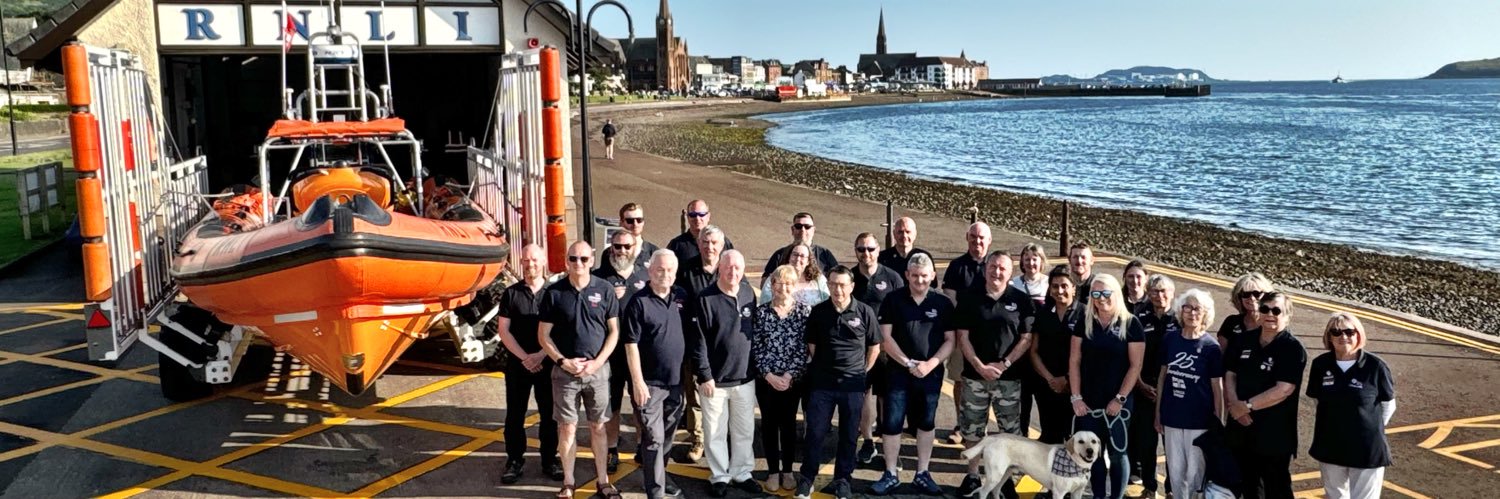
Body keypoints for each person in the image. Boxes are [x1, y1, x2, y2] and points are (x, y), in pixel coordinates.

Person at [538, 241, 622, 499]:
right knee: (567, 428)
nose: (579, 264)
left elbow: (614, 332)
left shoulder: (605, 290)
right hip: (565, 374)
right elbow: (543, 336)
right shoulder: (554, 293)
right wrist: (563, 361)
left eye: (584, 259)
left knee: (599, 427)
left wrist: (597, 363)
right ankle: (569, 482)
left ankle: (604, 481)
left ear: (592, 261)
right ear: (566, 261)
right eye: (573, 259)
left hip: (597, 372)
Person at [477, 244, 563, 484]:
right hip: (518, 365)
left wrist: (541, 355)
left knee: (549, 415)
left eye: (534, 260)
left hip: (547, 363)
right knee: (515, 415)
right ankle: (514, 460)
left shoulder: (554, 293)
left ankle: (550, 460)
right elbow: (503, 331)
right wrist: (525, 358)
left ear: (543, 261)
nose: (530, 265)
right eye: (526, 261)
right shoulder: (511, 293)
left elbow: (560, 331)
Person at [871, 252, 954, 496]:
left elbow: (950, 340)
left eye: (924, 276)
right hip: (898, 372)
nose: (919, 280)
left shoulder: (942, 304)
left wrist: (930, 364)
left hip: (931, 374)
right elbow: (886, 338)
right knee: (892, 423)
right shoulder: (892, 300)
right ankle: (890, 474)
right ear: (907, 275)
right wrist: (908, 363)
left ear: (933, 276)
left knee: (926, 423)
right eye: (915, 275)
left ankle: (923, 473)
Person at [797, 265, 882, 499]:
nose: (837, 289)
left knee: (848, 435)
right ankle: (807, 478)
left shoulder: (864, 312)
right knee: (815, 432)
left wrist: (862, 371)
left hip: (852, 386)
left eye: (842, 284)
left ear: (852, 286)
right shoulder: (819, 312)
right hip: (822, 384)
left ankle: (843, 480)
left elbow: (874, 346)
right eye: (833, 284)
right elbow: (812, 346)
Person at [955, 250, 1035, 499]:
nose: (996, 271)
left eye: (1002, 268)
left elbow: (1026, 338)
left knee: (1010, 433)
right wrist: (979, 365)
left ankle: (1005, 480)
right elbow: (962, 337)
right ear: (985, 268)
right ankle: (972, 476)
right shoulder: (970, 298)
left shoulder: (1022, 300)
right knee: (972, 430)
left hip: (1009, 379)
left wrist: (1005, 364)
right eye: (992, 267)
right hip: (974, 376)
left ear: (1010, 272)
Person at [685, 250, 761, 496]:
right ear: (720, 268)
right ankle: (719, 476)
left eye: (738, 268)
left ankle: (741, 472)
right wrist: (704, 375)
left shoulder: (748, 294)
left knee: (744, 430)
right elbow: (698, 342)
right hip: (714, 382)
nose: (733, 272)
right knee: (715, 431)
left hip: (744, 379)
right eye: (728, 267)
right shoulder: (705, 299)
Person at [1224, 292, 1307, 499]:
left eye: (1276, 310)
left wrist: (1247, 406)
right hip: (1240, 428)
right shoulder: (1243, 339)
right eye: (1265, 309)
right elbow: (1230, 374)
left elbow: (1284, 389)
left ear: (1287, 316)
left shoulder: (1292, 348)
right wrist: (1234, 405)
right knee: (1249, 486)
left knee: (1276, 488)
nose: (1270, 314)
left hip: (1274, 435)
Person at [1069, 274, 1144, 499]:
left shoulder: (1131, 324)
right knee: (1094, 454)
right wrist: (1076, 397)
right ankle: (1099, 496)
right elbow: (1074, 361)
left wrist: (1119, 399)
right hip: (1089, 401)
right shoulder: (1085, 321)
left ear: (1115, 294)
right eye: (1096, 294)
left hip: (1118, 402)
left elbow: (1135, 366)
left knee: (1118, 452)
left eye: (1106, 293)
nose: (1101, 299)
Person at [623, 250, 688, 499]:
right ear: (650, 271)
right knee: (653, 438)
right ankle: (656, 492)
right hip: (649, 385)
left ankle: (659, 474)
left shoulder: (680, 297)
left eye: (670, 270)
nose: (665, 275)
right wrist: (638, 382)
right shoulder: (638, 302)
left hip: (675, 383)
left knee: (667, 437)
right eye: (660, 270)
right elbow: (630, 345)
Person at [1308, 313, 1396, 499]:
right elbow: (1318, 400)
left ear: (1359, 334)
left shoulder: (1376, 366)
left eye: (1349, 331)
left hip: (1366, 448)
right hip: (1330, 445)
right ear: (1328, 336)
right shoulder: (1320, 365)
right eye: (1336, 332)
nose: (1343, 336)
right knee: (1335, 496)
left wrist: (1370, 428)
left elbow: (1388, 404)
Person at [1154, 288, 1223, 499]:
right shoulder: (1170, 339)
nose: (1192, 313)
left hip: (1199, 422)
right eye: (1187, 307)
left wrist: (1219, 423)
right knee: (1175, 473)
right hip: (1173, 417)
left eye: (1197, 309)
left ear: (1205, 314)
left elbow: (1217, 388)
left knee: (1196, 474)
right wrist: (1158, 413)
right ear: (1180, 311)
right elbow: (1162, 377)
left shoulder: (1211, 347)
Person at [750, 265, 812, 494]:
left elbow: (804, 348)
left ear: (794, 286)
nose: (783, 287)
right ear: (772, 285)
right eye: (779, 282)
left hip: (791, 380)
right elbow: (756, 347)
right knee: (768, 424)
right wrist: (769, 375)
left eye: (788, 283)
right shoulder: (762, 312)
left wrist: (787, 376)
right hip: (766, 380)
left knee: (788, 425)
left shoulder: (804, 312)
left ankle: (787, 470)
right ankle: (772, 471)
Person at [594, 230, 649, 473]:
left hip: (639, 353)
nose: (622, 251)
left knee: (641, 403)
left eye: (627, 246)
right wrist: (611, 300)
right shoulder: (599, 277)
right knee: (612, 405)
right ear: (611, 247)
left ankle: (641, 447)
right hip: (611, 353)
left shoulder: (645, 276)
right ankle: (613, 449)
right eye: (617, 246)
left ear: (635, 247)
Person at [851, 232, 903, 465]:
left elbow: (903, 310)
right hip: (858, 350)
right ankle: (868, 442)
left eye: (870, 249)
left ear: (878, 250)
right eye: (861, 249)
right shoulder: (850, 278)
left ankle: (888, 446)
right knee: (863, 396)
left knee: (887, 397)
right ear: (856, 251)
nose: (866, 254)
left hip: (886, 350)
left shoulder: (892, 278)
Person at [941, 222, 990, 445]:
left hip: (989, 337)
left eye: (981, 238)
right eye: (973, 237)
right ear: (966, 238)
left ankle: (982, 427)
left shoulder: (995, 264)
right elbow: (950, 298)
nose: (977, 241)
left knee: (986, 382)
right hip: (963, 334)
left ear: (989, 240)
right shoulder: (957, 266)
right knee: (961, 379)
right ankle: (962, 424)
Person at [1129, 273, 1175, 498]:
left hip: (1173, 392)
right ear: (1148, 294)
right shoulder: (1139, 317)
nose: (1159, 295)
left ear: (1172, 294)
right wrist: (1139, 384)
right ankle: (1149, 486)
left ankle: (1171, 489)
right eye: (1155, 291)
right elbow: (1131, 355)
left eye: (1164, 291)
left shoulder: (1179, 319)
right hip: (1144, 389)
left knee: (1172, 447)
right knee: (1146, 443)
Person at [1029, 265, 1083, 446]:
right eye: (1055, 286)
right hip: (1047, 386)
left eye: (1064, 286)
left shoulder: (1085, 313)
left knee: (1074, 440)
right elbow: (1034, 351)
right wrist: (1051, 379)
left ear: (1074, 288)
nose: (1059, 291)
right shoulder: (1043, 313)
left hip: (1075, 388)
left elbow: (1090, 354)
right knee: (1049, 438)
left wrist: (1067, 380)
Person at [760, 212, 840, 281]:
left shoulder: (825, 254)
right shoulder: (780, 254)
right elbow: (766, 280)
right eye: (798, 226)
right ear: (792, 230)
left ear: (813, 230)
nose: (803, 230)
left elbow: (838, 276)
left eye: (807, 227)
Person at [758, 242, 829, 306]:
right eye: (795, 254)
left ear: (808, 261)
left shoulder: (819, 280)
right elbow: (764, 304)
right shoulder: (774, 278)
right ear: (789, 257)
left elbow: (828, 303)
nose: (798, 259)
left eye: (802, 256)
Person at [1217, 272, 1275, 352]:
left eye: (1256, 294)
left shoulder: (1272, 324)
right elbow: (1219, 354)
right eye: (1246, 294)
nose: (1252, 298)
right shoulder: (1231, 322)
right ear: (1239, 298)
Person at [667, 200, 734, 264]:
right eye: (693, 215)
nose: (697, 218)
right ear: (688, 217)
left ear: (708, 216)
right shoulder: (676, 245)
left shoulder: (722, 242)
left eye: (701, 214)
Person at [877, 217, 932, 286]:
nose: (904, 235)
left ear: (915, 234)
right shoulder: (882, 258)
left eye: (908, 232)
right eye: (900, 232)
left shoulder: (924, 257)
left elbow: (932, 285)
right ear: (894, 234)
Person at [1009, 243, 1049, 308]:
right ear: (1022, 262)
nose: (1031, 263)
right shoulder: (1014, 284)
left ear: (1041, 262)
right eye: (1027, 260)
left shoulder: (1048, 283)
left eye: (1034, 259)